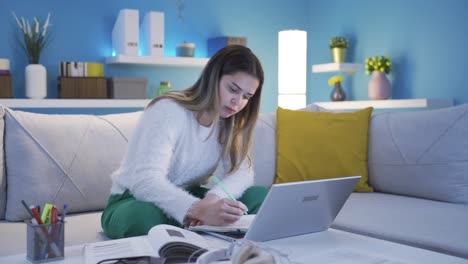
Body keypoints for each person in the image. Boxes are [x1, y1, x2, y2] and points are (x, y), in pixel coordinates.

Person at [101, 45, 269, 239]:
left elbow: (243, 175)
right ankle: (198, 225)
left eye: (246, 96)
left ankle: (193, 226)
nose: (237, 102)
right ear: (213, 77)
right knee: (140, 218)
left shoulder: (229, 122)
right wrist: (196, 209)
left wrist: (212, 201)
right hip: (136, 198)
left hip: (188, 195)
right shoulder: (167, 110)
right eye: (233, 89)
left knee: (260, 197)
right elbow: (145, 182)